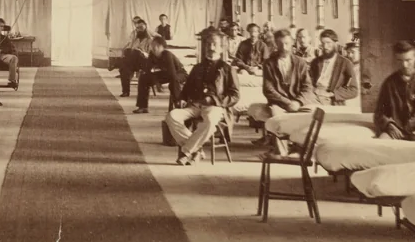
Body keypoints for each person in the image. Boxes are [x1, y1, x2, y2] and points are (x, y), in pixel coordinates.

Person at [165, 32, 240, 166]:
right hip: (195, 105)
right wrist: (182, 98)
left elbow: (235, 96)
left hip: (216, 107)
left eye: (215, 44)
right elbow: (187, 89)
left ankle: (187, 151)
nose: (211, 47)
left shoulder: (227, 69)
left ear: (221, 48)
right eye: (208, 44)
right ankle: (196, 150)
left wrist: (214, 100)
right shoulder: (197, 68)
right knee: (172, 116)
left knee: (210, 121)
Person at [247, 28, 315, 150]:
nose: (284, 47)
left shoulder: (300, 63)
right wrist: (287, 103)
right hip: (279, 103)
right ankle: (282, 152)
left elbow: (307, 87)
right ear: (275, 44)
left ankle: (303, 147)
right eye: (280, 44)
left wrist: (298, 102)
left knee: (312, 115)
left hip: (298, 102)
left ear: (293, 43)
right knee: (277, 117)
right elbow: (268, 90)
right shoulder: (269, 63)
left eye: (287, 43)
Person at [134, 35, 186, 114]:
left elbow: (172, 74)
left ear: (162, 47)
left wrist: (158, 83)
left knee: (174, 81)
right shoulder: (152, 54)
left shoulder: (167, 54)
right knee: (143, 77)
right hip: (166, 73)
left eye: (157, 46)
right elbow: (148, 71)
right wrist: (156, 82)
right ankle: (143, 106)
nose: (155, 48)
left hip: (180, 73)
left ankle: (178, 105)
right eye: (153, 45)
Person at [309, 29, 359, 107]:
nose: (325, 47)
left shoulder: (345, 63)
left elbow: (353, 90)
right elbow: (308, 82)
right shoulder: (315, 62)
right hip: (313, 97)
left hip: (331, 100)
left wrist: (332, 94)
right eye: (323, 43)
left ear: (336, 44)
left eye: (328, 43)